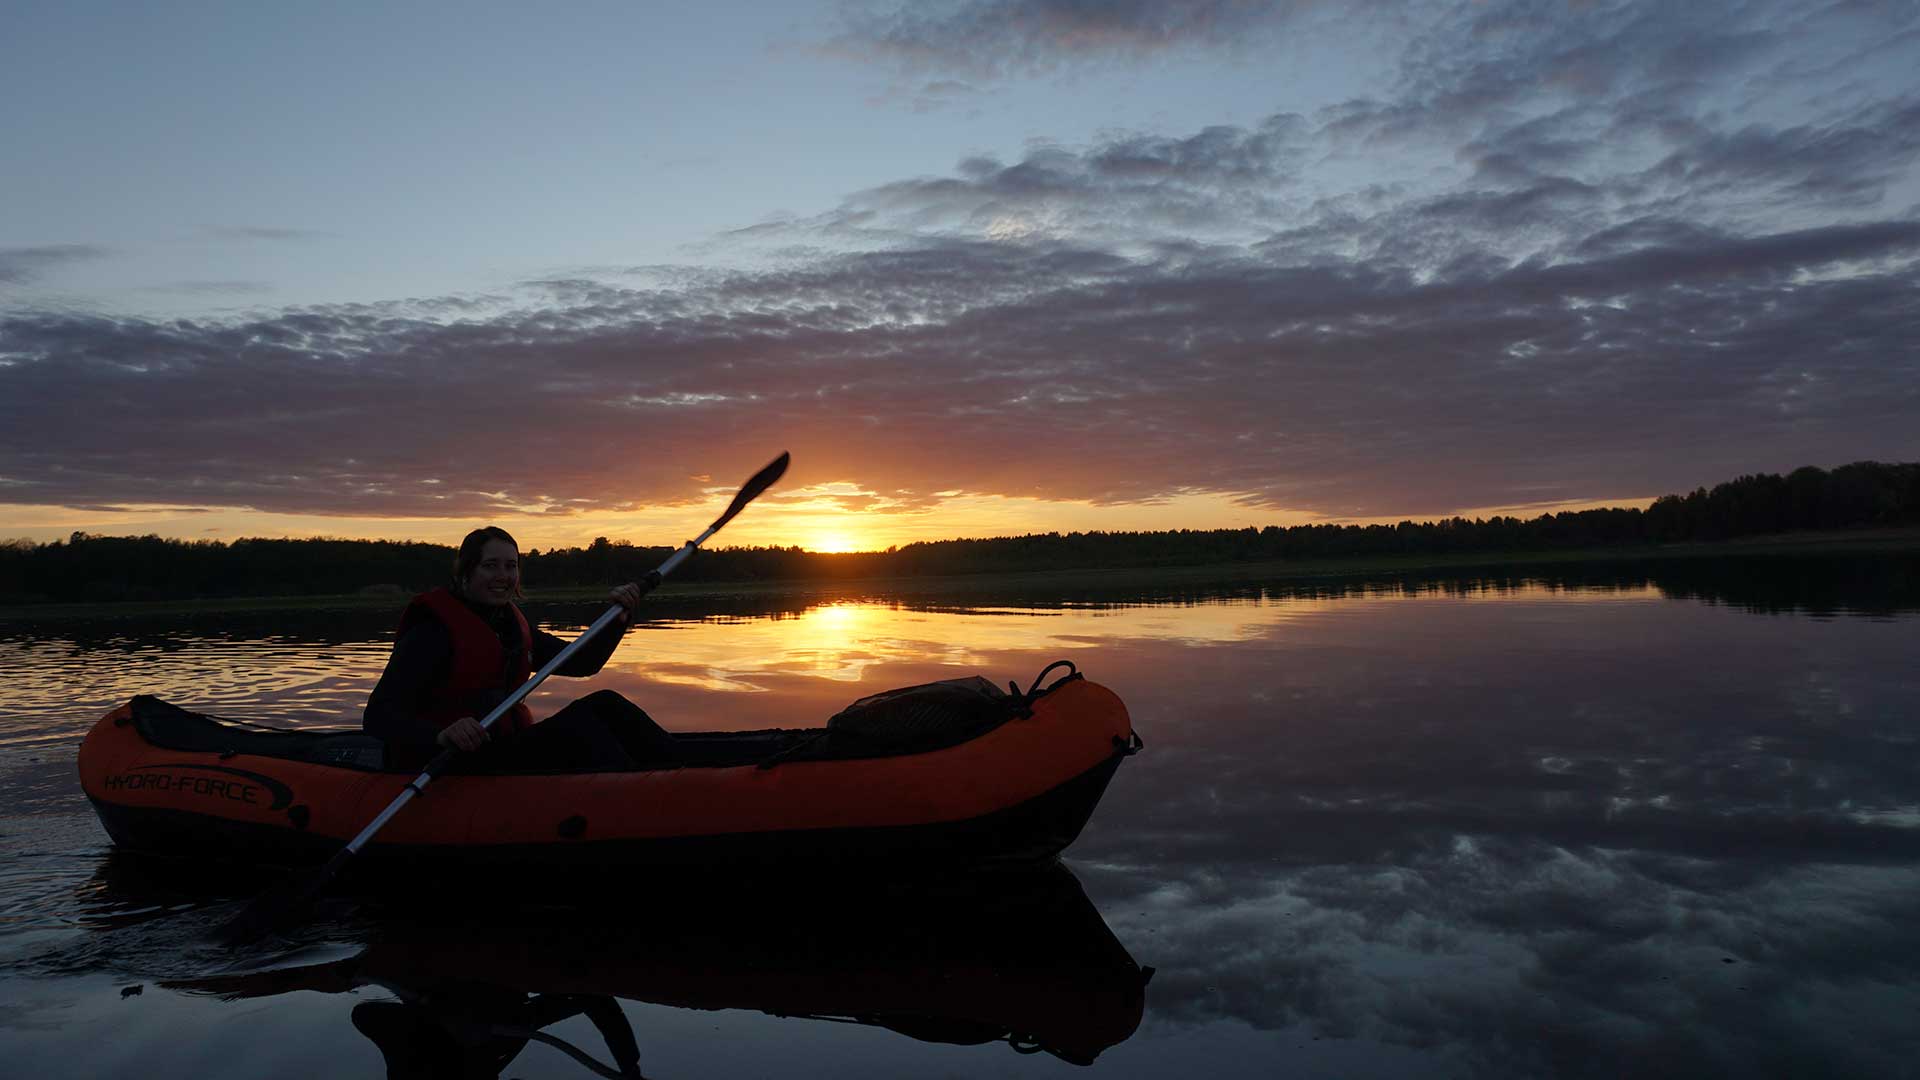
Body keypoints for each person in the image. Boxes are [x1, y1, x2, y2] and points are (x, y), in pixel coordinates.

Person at [363, 526, 679, 773]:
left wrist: (618, 619)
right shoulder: (432, 632)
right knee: (581, 729)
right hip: (449, 759)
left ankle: (680, 766)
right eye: (490, 566)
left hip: (503, 747)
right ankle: (638, 795)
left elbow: (583, 663)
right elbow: (378, 717)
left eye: (510, 566)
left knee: (605, 704)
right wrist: (441, 733)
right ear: (466, 573)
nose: (503, 576)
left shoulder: (510, 625)